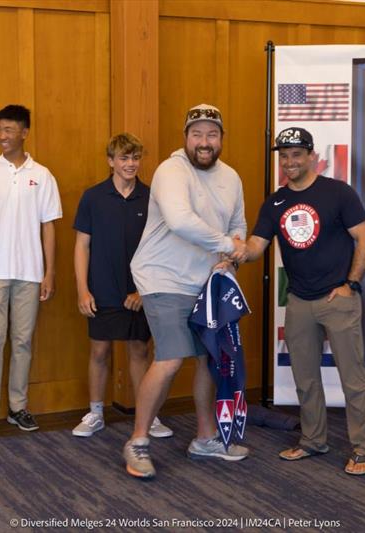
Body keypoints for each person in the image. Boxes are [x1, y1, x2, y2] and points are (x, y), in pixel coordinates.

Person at [122, 104, 248, 479]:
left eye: (212, 134)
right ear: (186, 137)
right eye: (197, 134)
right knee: (172, 357)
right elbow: (179, 220)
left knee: (210, 359)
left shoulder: (231, 177)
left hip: (206, 282)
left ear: (221, 139)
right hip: (163, 277)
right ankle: (138, 440)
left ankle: (206, 438)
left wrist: (233, 258)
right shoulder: (171, 170)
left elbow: (238, 225)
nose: (204, 142)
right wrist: (227, 243)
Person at [243, 127, 365, 475]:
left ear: (312, 157)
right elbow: (256, 247)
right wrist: (231, 251)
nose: (289, 162)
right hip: (299, 300)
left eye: (296, 155)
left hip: (338, 297)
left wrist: (351, 285)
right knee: (304, 377)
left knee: (353, 378)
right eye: (284, 156)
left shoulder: (338, 193)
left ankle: (364, 449)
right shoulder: (275, 202)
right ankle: (314, 441)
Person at [0, 104, 62, 437]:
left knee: (22, 342)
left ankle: (18, 407)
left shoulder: (43, 175)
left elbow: (49, 226)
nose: (2, 136)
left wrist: (49, 272)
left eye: (9, 130)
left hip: (30, 272)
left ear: (24, 132)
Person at [72, 133, 172, 439]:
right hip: (101, 288)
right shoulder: (93, 197)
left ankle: (148, 415)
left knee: (140, 350)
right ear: (111, 161)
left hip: (140, 291)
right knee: (99, 350)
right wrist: (82, 290)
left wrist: (143, 290)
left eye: (135, 158)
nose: (130, 164)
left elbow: (160, 248)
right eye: (124, 158)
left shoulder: (152, 197)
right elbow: (81, 246)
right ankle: (96, 413)